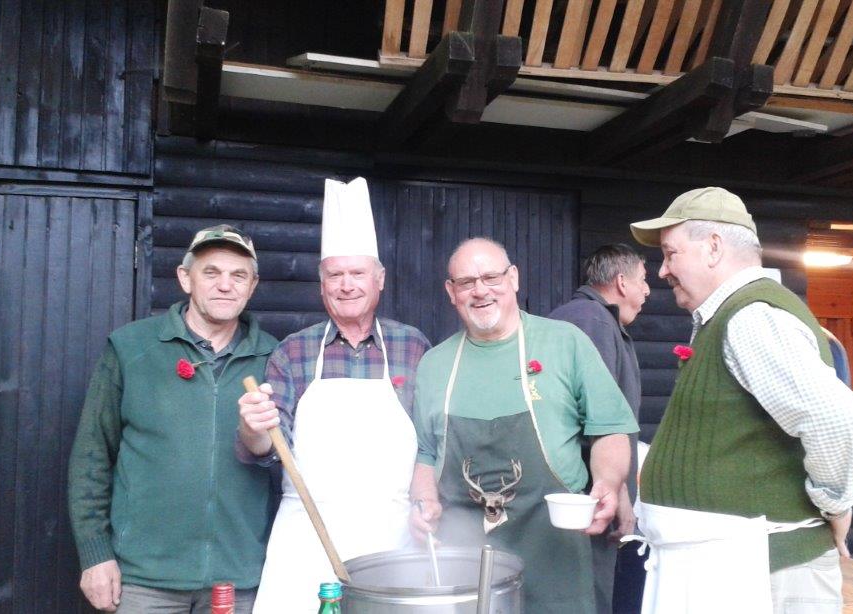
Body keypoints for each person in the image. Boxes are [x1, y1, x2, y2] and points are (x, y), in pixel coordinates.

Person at [628, 187, 853, 613]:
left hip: (766, 571)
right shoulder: (733, 314)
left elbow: (834, 417)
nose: (663, 270)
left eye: (670, 254)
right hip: (738, 565)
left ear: (713, 247)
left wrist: (838, 505)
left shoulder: (751, 316)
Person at [409, 237, 639, 613]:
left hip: (555, 549)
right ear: (451, 292)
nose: (480, 291)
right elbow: (426, 453)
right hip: (466, 554)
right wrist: (424, 501)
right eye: (466, 282)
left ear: (513, 278)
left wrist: (608, 483)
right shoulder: (434, 364)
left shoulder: (566, 342)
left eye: (491, 277)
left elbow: (609, 429)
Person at [236, 177, 430, 612]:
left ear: (379, 280)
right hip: (306, 539)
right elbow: (264, 449)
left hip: (393, 539)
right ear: (321, 284)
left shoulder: (413, 346)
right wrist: (254, 427)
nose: (346, 285)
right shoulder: (293, 351)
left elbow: (433, 441)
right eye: (335, 275)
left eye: (357, 273)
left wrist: (428, 501)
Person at [68, 225, 277, 613]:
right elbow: (91, 456)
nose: (225, 285)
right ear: (185, 278)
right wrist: (95, 554)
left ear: (252, 286)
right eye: (211, 272)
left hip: (239, 581)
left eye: (238, 275)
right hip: (144, 581)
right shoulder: (131, 348)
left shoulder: (274, 359)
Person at [549, 243, 649, 614]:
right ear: (621, 282)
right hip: (588, 500)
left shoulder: (590, 318)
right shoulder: (592, 320)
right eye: (643, 280)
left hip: (591, 497)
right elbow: (597, 414)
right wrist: (618, 490)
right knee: (589, 597)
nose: (647, 291)